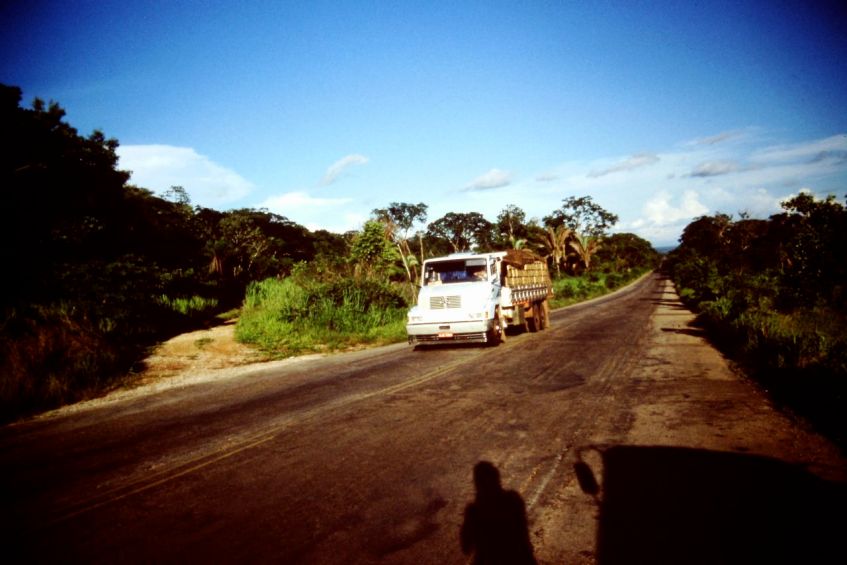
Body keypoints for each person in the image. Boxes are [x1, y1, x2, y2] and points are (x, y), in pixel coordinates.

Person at [460, 461, 537, 564]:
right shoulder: (513, 499)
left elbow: (466, 547)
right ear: (497, 478)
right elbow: (524, 534)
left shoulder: (474, 512)